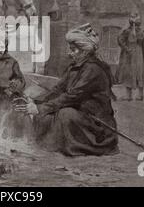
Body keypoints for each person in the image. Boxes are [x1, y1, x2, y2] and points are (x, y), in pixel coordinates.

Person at [14, 24, 119, 157]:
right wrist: (37, 103)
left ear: (84, 51)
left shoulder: (93, 69)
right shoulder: (75, 67)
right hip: (81, 113)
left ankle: (77, 147)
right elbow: (59, 89)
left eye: (73, 50)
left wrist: (40, 108)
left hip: (96, 123)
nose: (70, 53)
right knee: (48, 114)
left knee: (65, 113)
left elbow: (72, 96)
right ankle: (45, 143)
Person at [116, 13, 144, 101]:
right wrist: (127, 48)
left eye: (136, 22)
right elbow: (120, 40)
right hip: (128, 55)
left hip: (138, 54)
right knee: (128, 73)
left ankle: (140, 95)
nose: (134, 24)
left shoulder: (141, 32)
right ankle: (128, 95)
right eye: (133, 22)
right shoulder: (126, 31)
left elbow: (142, 41)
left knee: (139, 73)